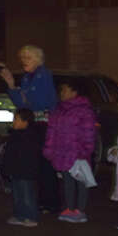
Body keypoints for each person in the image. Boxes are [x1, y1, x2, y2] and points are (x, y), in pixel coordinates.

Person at [0, 44, 59, 212]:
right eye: (22, 58)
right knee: (35, 165)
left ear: (37, 60)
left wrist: (23, 96)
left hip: (44, 125)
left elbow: (37, 102)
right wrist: (12, 85)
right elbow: (21, 103)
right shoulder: (27, 77)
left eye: (28, 58)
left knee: (45, 164)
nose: (23, 61)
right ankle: (38, 202)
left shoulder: (43, 75)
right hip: (33, 124)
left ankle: (50, 203)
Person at [43, 79, 96, 224]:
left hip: (78, 153)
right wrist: (49, 149)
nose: (62, 93)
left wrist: (85, 150)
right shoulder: (59, 110)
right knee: (67, 181)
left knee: (81, 181)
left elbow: (89, 132)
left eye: (65, 90)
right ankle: (69, 207)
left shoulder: (84, 110)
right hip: (62, 153)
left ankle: (80, 209)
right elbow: (51, 132)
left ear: (74, 92)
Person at [3, 109, 42, 227]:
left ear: (25, 122)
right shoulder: (15, 135)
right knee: (17, 195)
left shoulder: (30, 136)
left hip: (25, 171)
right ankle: (19, 215)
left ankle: (30, 216)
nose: (14, 122)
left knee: (26, 194)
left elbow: (29, 156)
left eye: (16, 119)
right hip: (16, 170)